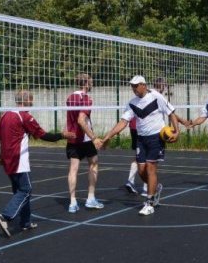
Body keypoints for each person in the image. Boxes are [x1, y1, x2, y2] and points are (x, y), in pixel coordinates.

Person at [0, 90, 75, 236]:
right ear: (27, 100)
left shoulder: (5, 114)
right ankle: (5, 216)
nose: (33, 102)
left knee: (19, 191)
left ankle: (25, 222)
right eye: (32, 99)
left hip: (7, 160)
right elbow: (44, 135)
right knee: (26, 190)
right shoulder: (25, 116)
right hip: (19, 160)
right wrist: (63, 135)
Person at [102, 75, 179, 216]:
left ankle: (149, 203)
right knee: (141, 170)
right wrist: (109, 135)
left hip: (156, 137)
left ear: (144, 85)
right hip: (141, 139)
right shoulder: (132, 103)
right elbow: (123, 122)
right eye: (132, 86)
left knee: (150, 168)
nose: (134, 88)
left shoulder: (156, 97)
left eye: (136, 85)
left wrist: (177, 132)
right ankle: (154, 189)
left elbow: (171, 113)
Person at [125, 77, 191, 196]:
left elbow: (170, 112)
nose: (164, 88)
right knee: (142, 162)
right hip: (140, 131)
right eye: (163, 86)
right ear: (160, 86)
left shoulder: (156, 97)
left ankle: (143, 187)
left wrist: (180, 124)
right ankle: (145, 185)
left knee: (148, 164)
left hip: (147, 133)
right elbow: (171, 112)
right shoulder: (152, 95)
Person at [65, 73, 104, 213]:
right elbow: (81, 120)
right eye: (91, 82)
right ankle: (90, 199)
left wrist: (66, 132)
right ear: (86, 84)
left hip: (72, 137)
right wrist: (94, 138)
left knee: (73, 168)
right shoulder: (86, 98)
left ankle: (72, 202)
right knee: (93, 164)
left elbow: (70, 118)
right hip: (85, 139)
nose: (92, 84)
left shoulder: (70, 97)